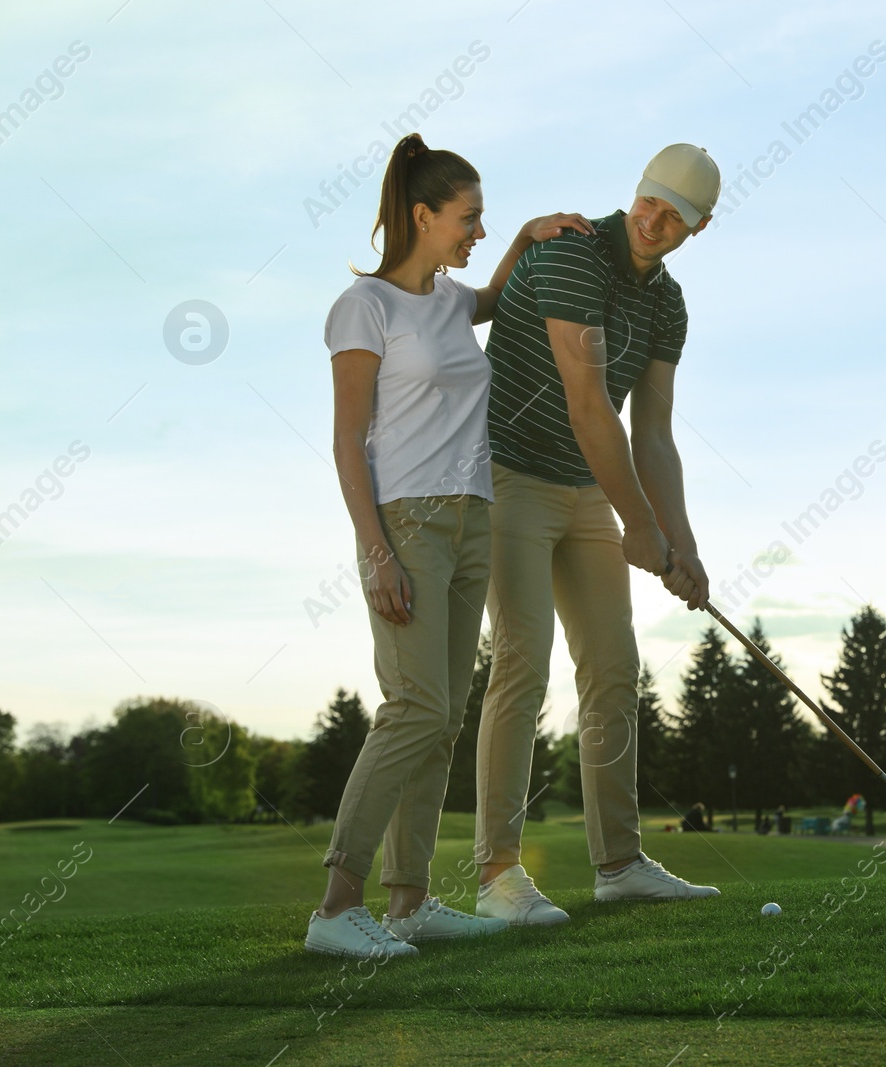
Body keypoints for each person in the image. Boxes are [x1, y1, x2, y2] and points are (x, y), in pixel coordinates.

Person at [305, 132, 592, 959]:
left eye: (482, 220)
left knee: (445, 715)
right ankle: (336, 904)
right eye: (467, 218)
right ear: (423, 214)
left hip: (473, 518)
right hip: (408, 521)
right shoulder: (365, 308)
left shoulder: (448, 300)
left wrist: (526, 233)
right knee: (415, 707)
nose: (473, 230)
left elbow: (493, 295)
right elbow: (346, 440)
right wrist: (376, 549)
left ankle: (409, 901)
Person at [473, 144, 722, 919]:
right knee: (523, 660)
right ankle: (498, 875)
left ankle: (619, 862)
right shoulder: (575, 254)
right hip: (505, 471)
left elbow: (652, 434)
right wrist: (639, 526)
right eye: (650, 201)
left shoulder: (669, 305)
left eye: (675, 215)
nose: (654, 220)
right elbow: (589, 406)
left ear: (699, 226)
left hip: (585, 486)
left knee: (615, 666)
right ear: (636, 191)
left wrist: (681, 543)